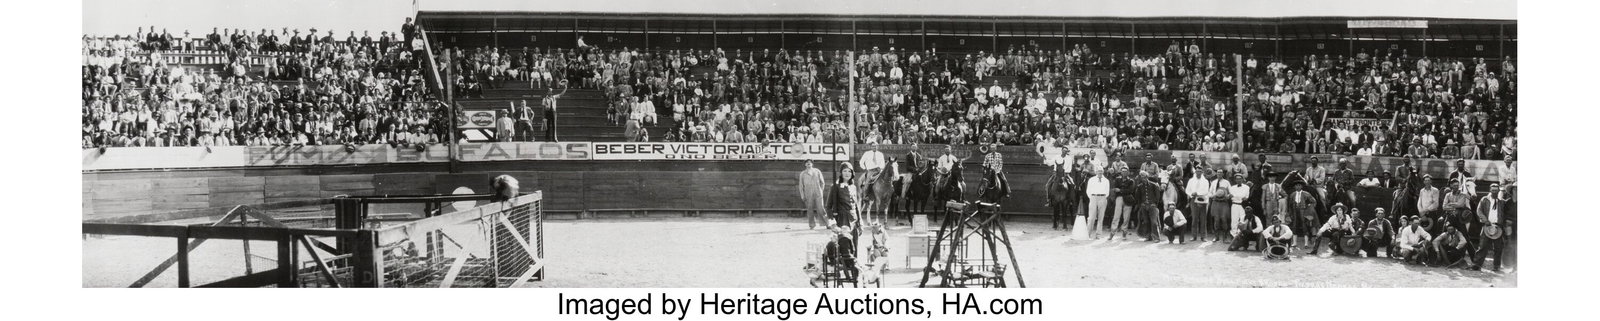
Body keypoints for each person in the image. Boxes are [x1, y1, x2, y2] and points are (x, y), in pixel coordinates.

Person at [1473, 184, 1508, 272]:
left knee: (1498, 248)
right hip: (1487, 226)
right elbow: (1479, 210)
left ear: (1498, 191)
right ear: (1490, 190)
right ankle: (1477, 265)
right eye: (1493, 190)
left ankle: (1496, 266)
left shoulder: (1502, 201)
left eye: (1496, 190)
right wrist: (1485, 220)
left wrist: (1502, 223)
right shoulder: (1484, 199)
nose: (1494, 192)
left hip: (1498, 227)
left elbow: (1506, 213)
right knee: (1482, 246)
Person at [797, 160, 829, 229]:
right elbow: (801, 186)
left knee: (821, 208)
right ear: (805, 164)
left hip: (818, 192)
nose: (808, 163)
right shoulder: (803, 174)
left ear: (812, 164)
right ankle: (812, 225)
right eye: (807, 162)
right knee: (810, 209)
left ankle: (827, 224)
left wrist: (821, 191)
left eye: (810, 162)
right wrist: (802, 195)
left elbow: (822, 182)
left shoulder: (817, 171)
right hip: (808, 194)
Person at [828, 163, 861, 228]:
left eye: (849, 171)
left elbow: (856, 206)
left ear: (852, 173)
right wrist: (833, 222)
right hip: (841, 221)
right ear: (841, 173)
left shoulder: (853, 187)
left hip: (853, 220)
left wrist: (860, 222)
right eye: (844, 171)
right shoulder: (835, 187)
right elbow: (828, 207)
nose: (847, 173)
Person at [1185, 167, 1212, 242]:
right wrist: (1191, 194)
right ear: (1195, 172)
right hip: (1193, 200)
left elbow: (1206, 191)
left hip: (1203, 200)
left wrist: (1197, 194)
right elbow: (1187, 190)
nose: (1198, 173)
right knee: (1194, 218)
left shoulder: (1205, 181)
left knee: (1203, 219)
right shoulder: (1191, 180)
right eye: (1197, 171)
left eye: (1200, 171)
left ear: (1202, 172)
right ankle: (1194, 236)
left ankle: (1203, 236)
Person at [1084, 166, 1111, 239]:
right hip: (1093, 197)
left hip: (1103, 198)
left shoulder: (1106, 181)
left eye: (1101, 171)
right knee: (1091, 217)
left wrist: (1102, 197)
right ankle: (1088, 234)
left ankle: (1098, 235)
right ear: (1096, 172)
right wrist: (1092, 198)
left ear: (1103, 172)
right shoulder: (1091, 180)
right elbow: (1088, 190)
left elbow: (1107, 192)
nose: (1100, 172)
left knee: (1101, 217)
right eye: (1099, 171)